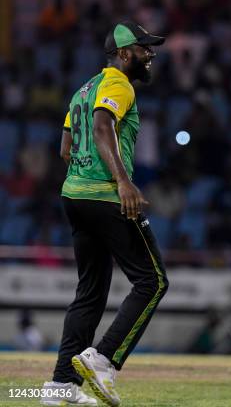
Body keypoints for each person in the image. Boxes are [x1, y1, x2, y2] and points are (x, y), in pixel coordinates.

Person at [41, 21, 168, 407]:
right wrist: (123, 181)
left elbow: (66, 148)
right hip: (106, 196)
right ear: (125, 54)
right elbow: (102, 127)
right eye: (145, 49)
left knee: (90, 293)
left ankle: (61, 386)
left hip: (74, 195)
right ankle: (104, 358)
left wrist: (87, 174)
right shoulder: (118, 84)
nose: (151, 55)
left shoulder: (83, 89)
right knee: (153, 281)